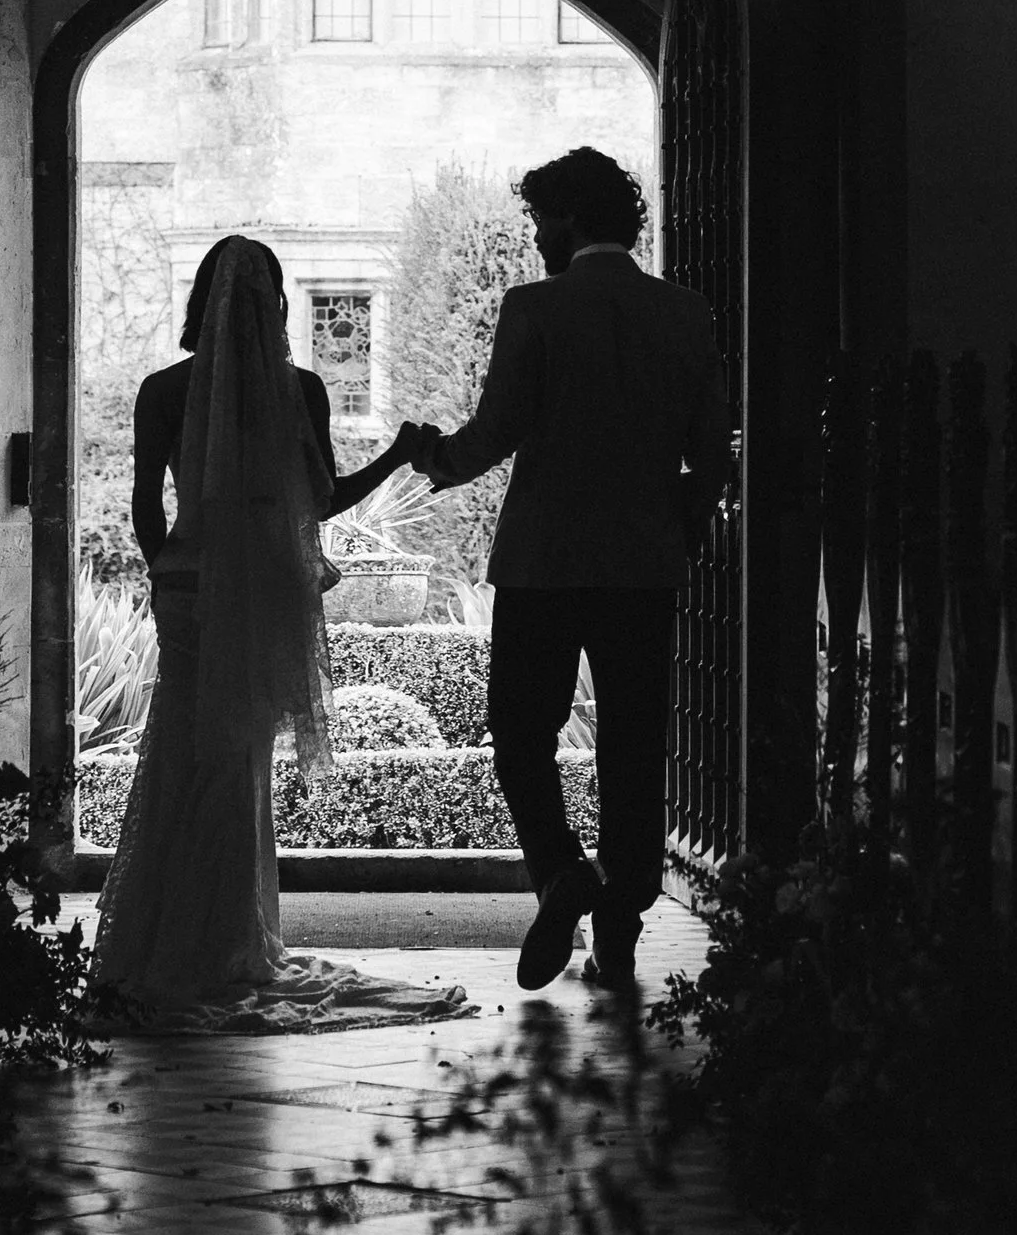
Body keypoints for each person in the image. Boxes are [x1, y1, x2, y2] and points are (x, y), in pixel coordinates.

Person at [91, 236, 449, 1028]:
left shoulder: (163, 390)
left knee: (182, 748)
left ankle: (165, 937)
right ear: (276, 303)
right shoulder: (301, 391)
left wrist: (165, 572)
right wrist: (395, 453)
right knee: (238, 759)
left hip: (189, 584)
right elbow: (320, 502)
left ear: (201, 301)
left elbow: (146, 502)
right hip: (262, 593)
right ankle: (225, 938)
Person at [397, 150, 727, 1000]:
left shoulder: (535, 308)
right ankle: (619, 927)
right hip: (642, 569)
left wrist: (429, 455)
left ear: (570, 221)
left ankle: (559, 875)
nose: (538, 238)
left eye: (542, 221)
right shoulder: (689, 314)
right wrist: (678, 535)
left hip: (543, 563)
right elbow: (710, 454)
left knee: (519, 734)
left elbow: (497, 428)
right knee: (633, 744)